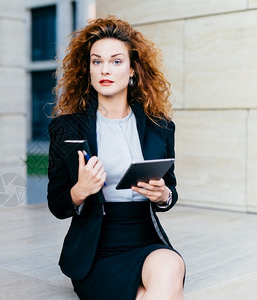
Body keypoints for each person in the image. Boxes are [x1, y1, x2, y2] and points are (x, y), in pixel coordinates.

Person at [47, 17, 185, 299]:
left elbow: (170, 191)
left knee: (172, 264)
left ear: (133, 70)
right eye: (96, 62)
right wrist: (80, 191)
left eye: (116, 61)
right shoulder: (67, 128)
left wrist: (163, 195)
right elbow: (57, 204)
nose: (105, 69)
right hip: (96, 249)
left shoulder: (160, 127)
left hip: (146, 239)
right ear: (88, 70)